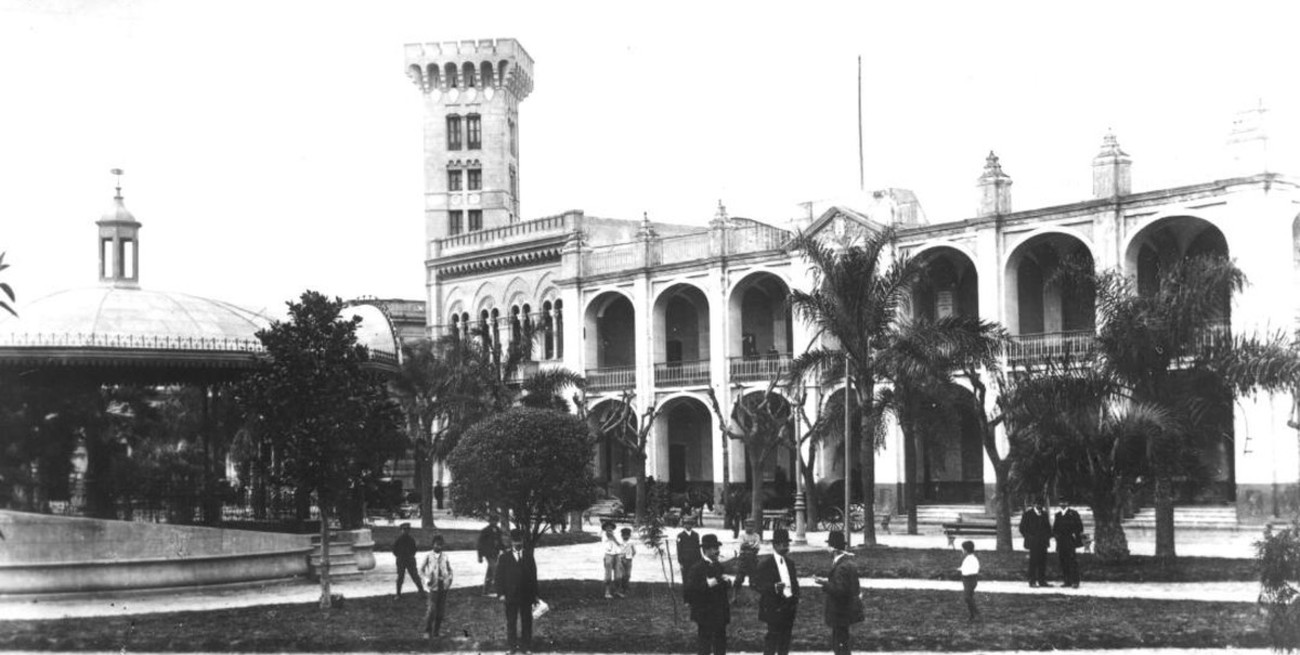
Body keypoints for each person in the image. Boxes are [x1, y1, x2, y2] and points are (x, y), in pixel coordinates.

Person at [814, 530, 863, 655]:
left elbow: (840, 591)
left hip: (839, 611)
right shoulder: (848, 563)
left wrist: (824, 584)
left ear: (833, 549)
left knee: (839, 644)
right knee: (843, 642)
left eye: (829, 546)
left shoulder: (841, 567)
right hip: (846, 611)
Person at [753, 528, 799, 655]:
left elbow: (794, 582)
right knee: (772, 639)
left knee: (785, 640)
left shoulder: (790, 563)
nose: (786, 547)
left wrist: (795, 597)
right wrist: (773, 587)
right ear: (775, 545)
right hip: (774, 606)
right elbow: (756, 584)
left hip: (788, 606)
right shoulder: (766, 564)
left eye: (787, 544)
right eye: (783, 544)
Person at [685, 533, 731, 655]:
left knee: (720, 642)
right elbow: (691, 590)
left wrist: (727, 582)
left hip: (719, 612)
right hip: (705, 613)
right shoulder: (697, 568)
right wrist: (711, 583)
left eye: (718, 548)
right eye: (714, 548)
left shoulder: (719, 566)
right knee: (704, 643)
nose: (717, 551)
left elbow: (723, 589)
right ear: (706, 550)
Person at [497, 529, 538, 655]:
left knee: (527, 621)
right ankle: (512, 647)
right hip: (511, 595)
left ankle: (526, 647)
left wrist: (535, 595)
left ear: (523, 541)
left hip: (526, 595)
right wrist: (501, 594)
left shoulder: (528, 556)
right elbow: (499, 577)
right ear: (511, 542)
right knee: (511, 622)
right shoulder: (504, 557)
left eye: (519, 541)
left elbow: (533, 577)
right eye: (515, 541)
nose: (517, 543)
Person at [419, 534, 453, 639]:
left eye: (441, 545)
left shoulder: (445, 556)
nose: (439, 547)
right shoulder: (428, 556)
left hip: (443, 587)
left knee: (441, 611)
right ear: (433, 544)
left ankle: (436, 632)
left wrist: (449, 579)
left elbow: (449, 569)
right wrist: (426, 580)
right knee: (432, 610)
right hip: (433, 587)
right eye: (437, 544)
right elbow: (421, 570)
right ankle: (427, 631)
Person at [1018, 498, 1052, 587]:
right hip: (1033, 543)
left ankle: (1042, 581)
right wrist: (1029, 537)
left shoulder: (1044, 514)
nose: (1039, 506)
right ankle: (1032, 581)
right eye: (1037, 504)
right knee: (1033, 562)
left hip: (1043, 542)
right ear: (1034, 504)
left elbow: (1048, 528)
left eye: (1041, 504)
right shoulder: (1028, 514)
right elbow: (1022, 528)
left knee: (1042, 562)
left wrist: (1047, 536)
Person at [1053, 498, 1084, 588]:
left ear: (1068, 503)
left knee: (1072, 561)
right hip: (1061, 541)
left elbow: (1080, 527)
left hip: (1070, 541)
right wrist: (1056, 536)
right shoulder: (1058, 515)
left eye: (1064, 502)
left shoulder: (1073, 513)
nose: (1063, 504)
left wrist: (1075, 535)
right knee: (1063, 561)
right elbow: (1055, 528)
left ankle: (1075, 581)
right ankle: (1067, 581)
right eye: (1061, 502)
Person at [393, 522, 425, 599]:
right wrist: (399, 556)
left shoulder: (411, 540)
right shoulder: (399, 540)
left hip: (410, 560)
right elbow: (394, 550)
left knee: (415, 576)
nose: (406, 531)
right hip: (401, 560)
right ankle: (398, 593)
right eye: (404, 529)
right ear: (401, 530)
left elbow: (414, 549)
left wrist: (410, 555)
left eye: (407, 529)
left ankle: (421, 592)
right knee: (400, 577)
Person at [733, 518, 761, 602]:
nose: (750, 528)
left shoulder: (756, 536)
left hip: (753, 559)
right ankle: (735, 597)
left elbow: (756, 547)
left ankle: (753, 598)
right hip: (743, 559)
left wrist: (748, 546)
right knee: (739, 579)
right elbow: (742, 545)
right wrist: (750, 546)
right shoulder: (742, 536)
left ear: (754, 527)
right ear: (745, 527)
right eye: (748, 526)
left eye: (751, 526)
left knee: (753, 580)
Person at [476, 515, 504, 596]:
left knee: (490, 572)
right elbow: (480, 544)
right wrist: (480, 556)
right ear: (490, 521)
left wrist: (505, 549)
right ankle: (500, 591)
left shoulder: (498, 530)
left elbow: (500, 542)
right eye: (493, 521)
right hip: (488, 554)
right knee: (496, 570)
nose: (495, 523)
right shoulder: (485, 531)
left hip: (495, 553)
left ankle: (485, 591)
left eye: (496, 521)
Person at [957, 540, 980, 622]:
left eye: (963, 549)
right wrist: (960, 569)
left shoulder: (971, 559)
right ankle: (972, 615)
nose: (962, 550)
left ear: (966, 550)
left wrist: (961, 570)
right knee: (969, 597)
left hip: (970, 579)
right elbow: (965, 568)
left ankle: (976, 613)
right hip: (969, 579)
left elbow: (970, 570)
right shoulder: (970, 558)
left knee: (967, 597)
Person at [600, 520, 624, 599]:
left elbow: (620, 544)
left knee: (618, 575)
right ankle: (607, 592)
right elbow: (607, 544)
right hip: (608, 555)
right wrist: (611, 537)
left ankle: (617, 591)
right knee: (608, 575)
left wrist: (614, 537)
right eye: (607, 527)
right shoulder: (604, 535)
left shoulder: (617, 534)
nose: (609, 528)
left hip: (617, 555)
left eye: (610, 527)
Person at [619, 526, 637, 596]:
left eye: (627, 535)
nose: (625, 536)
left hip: (629, 560)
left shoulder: (631, 542)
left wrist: (631, 556)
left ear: (629, 535)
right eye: (624, 535)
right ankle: (621, 588)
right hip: (621, 559)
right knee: (622, 574)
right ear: (621, 535)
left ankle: (626, 587)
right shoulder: (620, 542)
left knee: (628, 574)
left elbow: (634, 551)